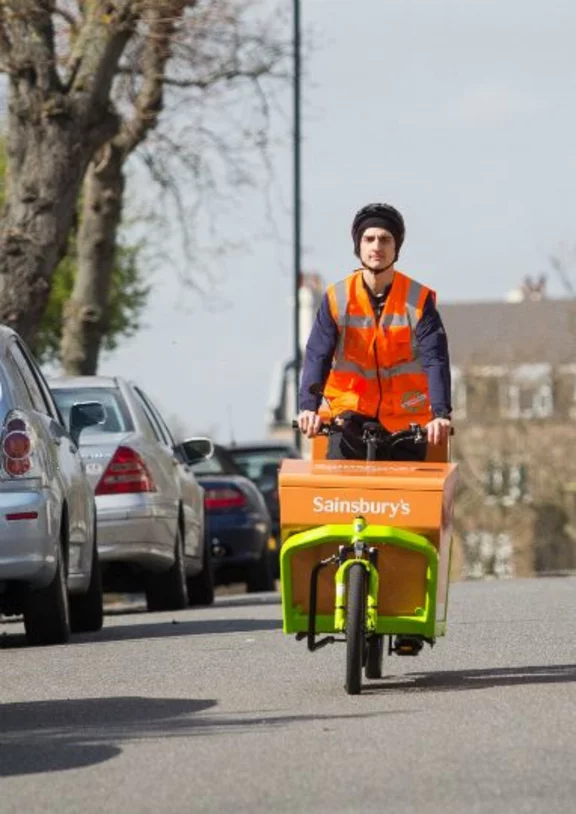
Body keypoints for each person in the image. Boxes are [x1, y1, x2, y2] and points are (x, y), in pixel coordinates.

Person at [297, 203, 452, 461]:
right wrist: (308, 408)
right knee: (339, 494)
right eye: (369, 239)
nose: (376, 246)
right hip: (349, 416)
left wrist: (440, 414)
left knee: (409, 498)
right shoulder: (337, 298)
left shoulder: (417, 300)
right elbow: (317, 356)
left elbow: (435, 359)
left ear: (396, 248)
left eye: (385, 240)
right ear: (358, 246)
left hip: (405, 421)